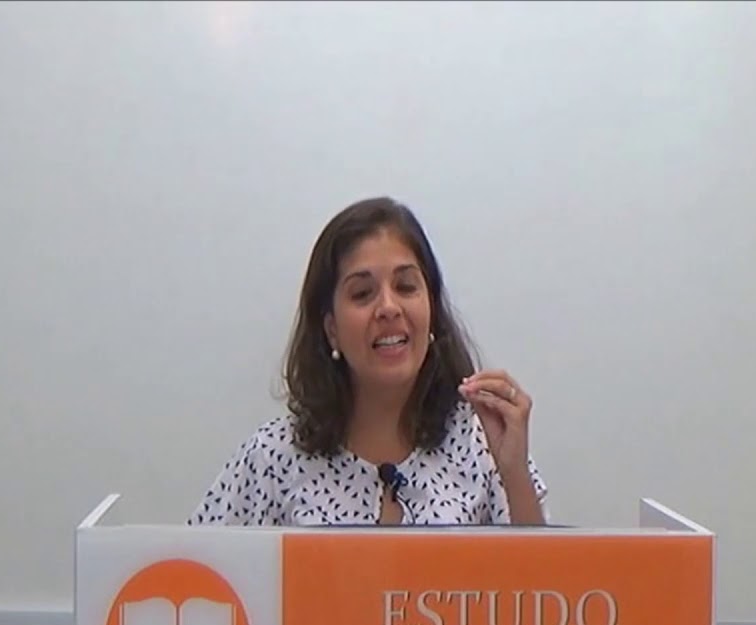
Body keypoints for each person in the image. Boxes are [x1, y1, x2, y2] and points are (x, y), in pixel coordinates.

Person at [187, 197, 548, 526]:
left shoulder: (479, 440)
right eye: (362, 293)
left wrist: (514, 472)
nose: (389, 308)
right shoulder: (272, 455)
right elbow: (194, 565)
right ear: (331, 330)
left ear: (432, 311)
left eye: (405, 287)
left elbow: (542, 574)